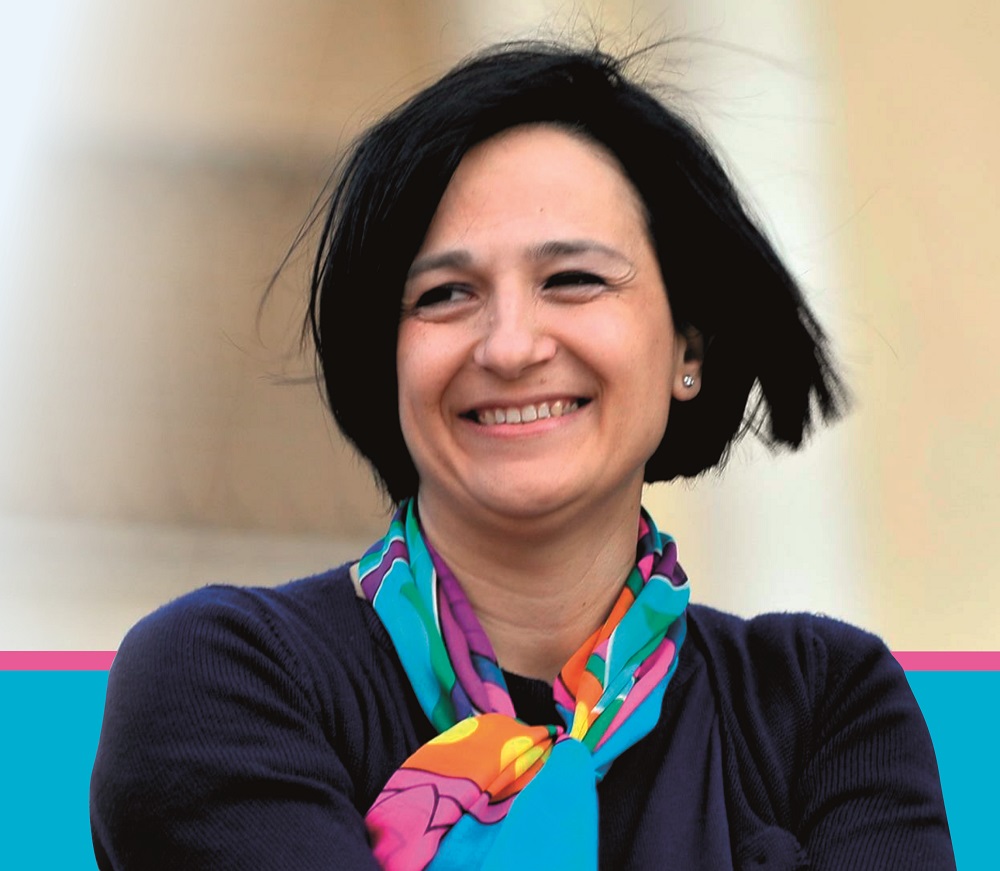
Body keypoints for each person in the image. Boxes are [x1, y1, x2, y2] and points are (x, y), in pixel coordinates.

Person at [90, 42, 955, 870]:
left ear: (688, 346)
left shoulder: (823, 704)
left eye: (573, 280)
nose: (509, 346)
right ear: (386, 361)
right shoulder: (225, 676)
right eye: (445, 294)